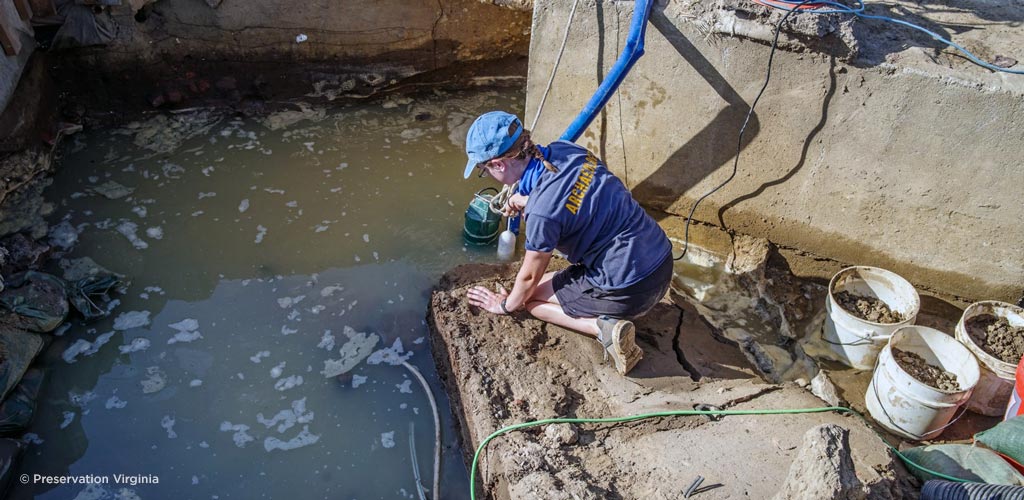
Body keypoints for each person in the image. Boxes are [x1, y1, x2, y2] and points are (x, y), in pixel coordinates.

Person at [462, 111, 673, 375]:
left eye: (484, 170)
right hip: (661, 259)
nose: (486, 174)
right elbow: (574, 198)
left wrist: (503, 305)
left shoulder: (542, 213)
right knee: (542, 284)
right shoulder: (567, 150)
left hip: (631, 288)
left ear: (499, 164)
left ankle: (605, 329)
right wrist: (529, 202)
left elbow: (527, 278)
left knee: (531, 301)